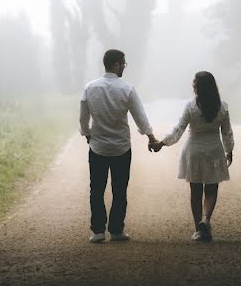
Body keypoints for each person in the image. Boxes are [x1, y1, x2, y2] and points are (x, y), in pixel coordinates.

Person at [79, 49, 159, 243]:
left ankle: (98, 231)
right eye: (123, 63)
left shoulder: (90, 88)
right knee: (119, 189)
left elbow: (83, 117)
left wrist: (87, 134)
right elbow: (140, 116)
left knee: (96, 189)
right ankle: (116, 230)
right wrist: (151, 137)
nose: (124, 66)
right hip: (121, 148)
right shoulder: (127, 89)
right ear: (115, 64)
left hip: (97, 147)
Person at [150, 71, 233, 242]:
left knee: (195, 191)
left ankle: (198, 229)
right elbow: (227, 132)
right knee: (211, 189)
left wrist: (162, 143)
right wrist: (229, 150)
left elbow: (178, 129)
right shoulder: (223, 107)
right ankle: (206, 219)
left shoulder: (191, 106)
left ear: (198, 86)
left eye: (194, 82)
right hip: (214, 151)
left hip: (194, 151)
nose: (192, 85)